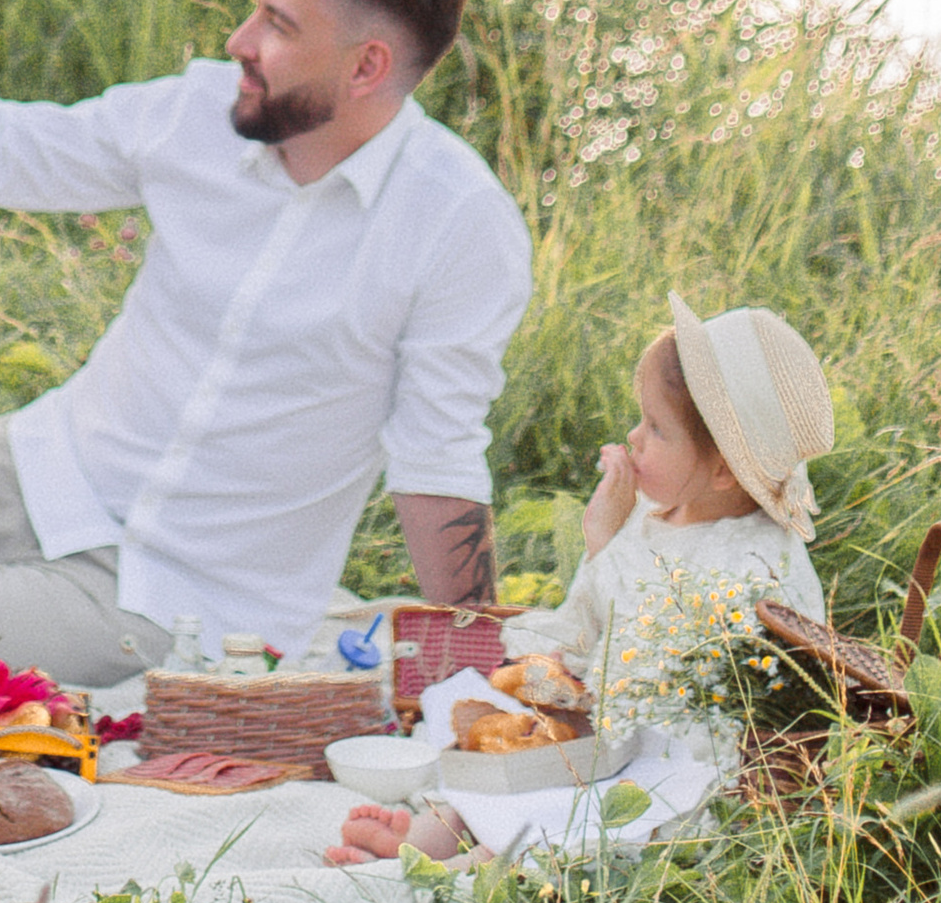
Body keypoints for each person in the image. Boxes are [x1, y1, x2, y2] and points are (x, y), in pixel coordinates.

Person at [0, 0, 534, 689]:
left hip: (180, 595)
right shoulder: (196, 114)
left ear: (367, 66)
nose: (239, 42)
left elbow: (437, 461)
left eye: (277, 25)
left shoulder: (459, 227)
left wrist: (474, 678)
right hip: (42, 465)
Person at [326, 291, 832, 866]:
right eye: (640, 419)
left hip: (681, 769)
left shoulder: (750, 568)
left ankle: (468, 870)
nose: (635, 438)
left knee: (577, 826)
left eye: (657, 429)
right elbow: (589, 625)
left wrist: (603, 540)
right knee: (495, 748)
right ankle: (432, 833)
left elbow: (652, 671)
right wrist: (557, 673)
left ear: (723, 468)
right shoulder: (661, 510)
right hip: (611, 737)